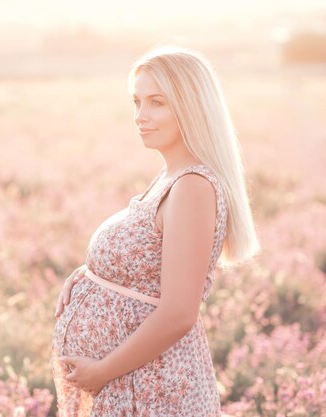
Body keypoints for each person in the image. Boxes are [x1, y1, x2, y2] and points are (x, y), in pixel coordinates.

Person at [50, 45, 261, 417]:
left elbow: (180, 312)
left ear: (191, 106)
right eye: (136, 102)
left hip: (152, 390)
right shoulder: (170, 178)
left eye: (156, 102)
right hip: (133, 385)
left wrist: (102, 371)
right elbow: (144, 272)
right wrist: (92, 278)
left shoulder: (193, 186)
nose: (140, 116)